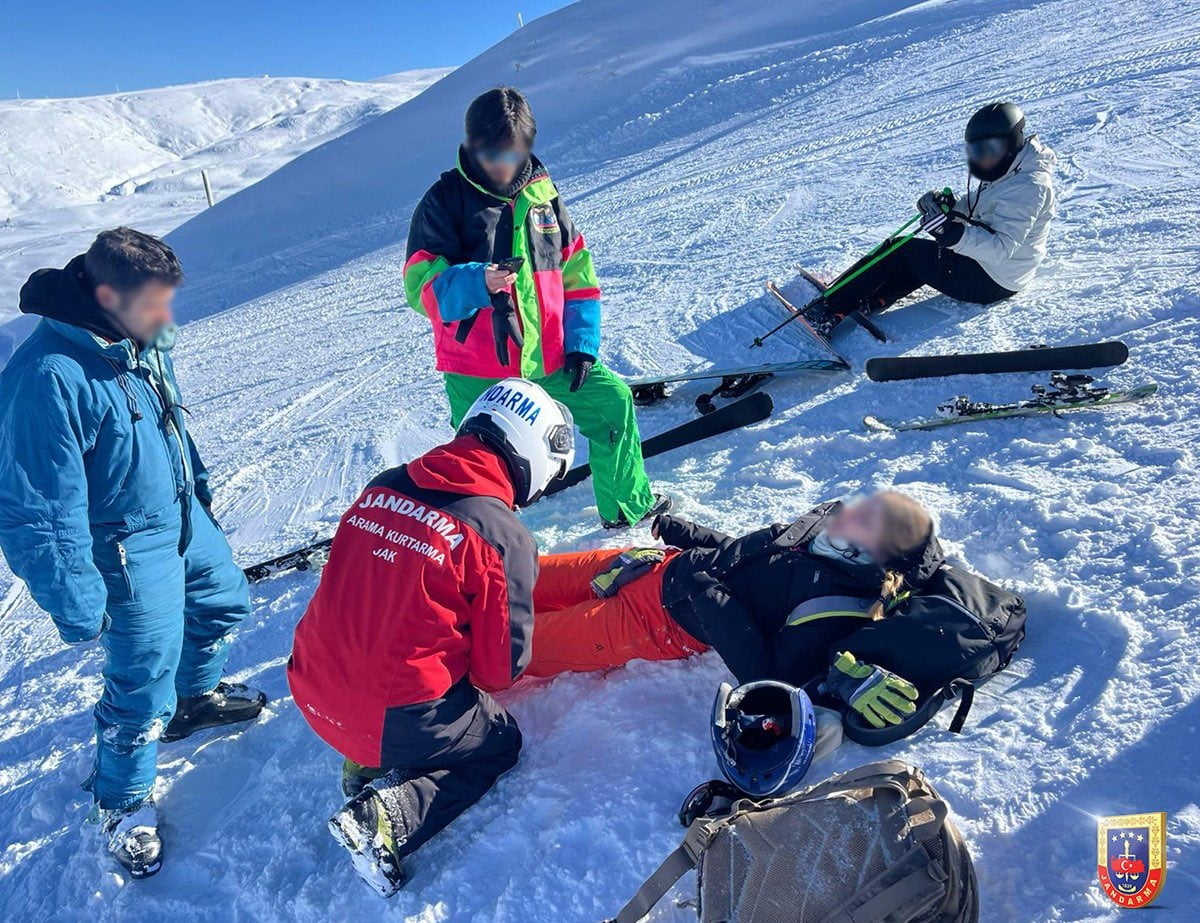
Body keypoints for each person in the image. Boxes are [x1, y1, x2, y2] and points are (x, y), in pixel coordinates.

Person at [0, 228, 264, 879]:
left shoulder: (136, 339)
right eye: (156, 303)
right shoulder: (45, 379)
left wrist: (196, 491)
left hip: (176, 512)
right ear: (108, 294)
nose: (168, 318)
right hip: (122, 545)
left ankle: (194, 699)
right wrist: (78, 603)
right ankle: (120, 801)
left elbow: (173, 422)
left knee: (224, 599)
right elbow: (35, 511)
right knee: (140, 678)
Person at [288, 378, 575, 897]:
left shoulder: (383, 486)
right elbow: (499, 671)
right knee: (498, 742)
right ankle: (387, 817)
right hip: (390, 717)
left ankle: (368, 755)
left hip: (310, 689)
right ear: (535, 457)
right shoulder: (500, 535)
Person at [404, 86, 671, 529]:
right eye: (491, 154)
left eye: (510, 154)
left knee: (612, 404)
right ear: (471, 146)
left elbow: (577, 275)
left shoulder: (543, 197)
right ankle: (481, 547)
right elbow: (421, 288)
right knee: (483, 462)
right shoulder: (444, 201)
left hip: (549, 356)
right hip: (479, 366)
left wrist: (582, 343)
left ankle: (626, 506)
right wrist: (477, 281)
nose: (501, 166)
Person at [525, 491, 944, 732]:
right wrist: (690, 536)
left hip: (654, 623)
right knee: (513, 574)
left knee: (512, 640)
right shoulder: (819, 534)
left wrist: (706, 593)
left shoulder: (835, 605)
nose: (849, 514)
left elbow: (770, 675)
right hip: (647, 563)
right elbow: (750, 556)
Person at [810, 102, 1057, 333]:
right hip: (1000, 271)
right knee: (917, 257)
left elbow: (1001, 248)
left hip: (993, 278)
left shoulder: (1029, 186)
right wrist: (949, 208)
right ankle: (869, 298)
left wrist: (952, 233)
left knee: (901, 250)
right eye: (975, 150)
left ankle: (828, 309)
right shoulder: (1013, 170)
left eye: (989, 150)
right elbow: (980, 209)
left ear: (1011, 143)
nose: (982, 158)